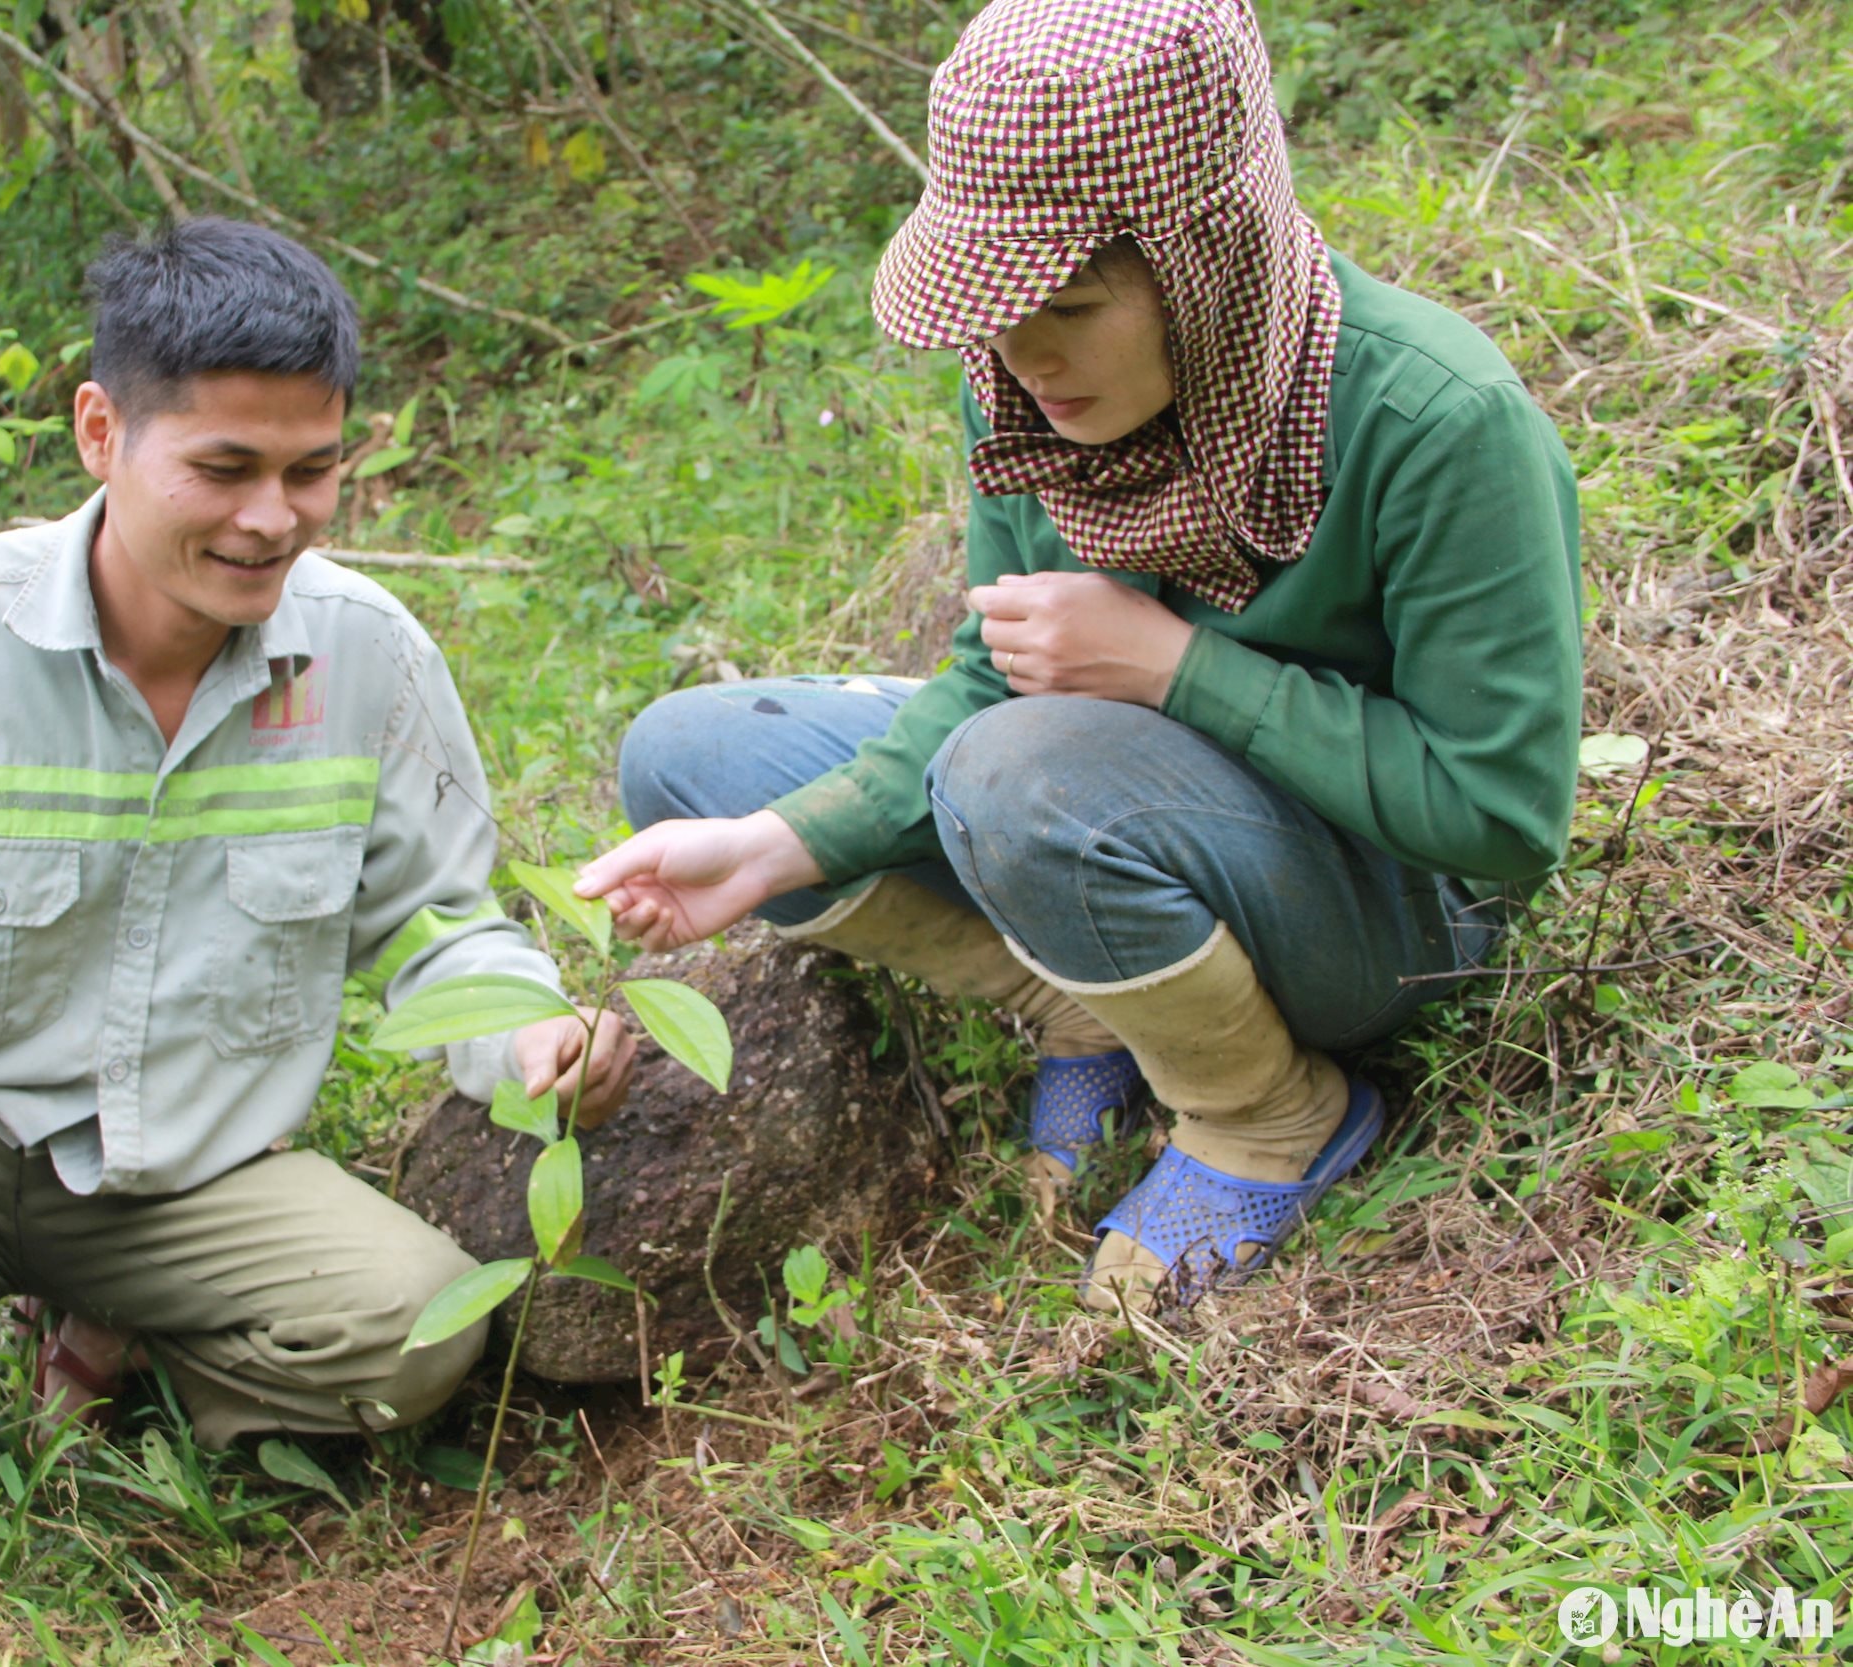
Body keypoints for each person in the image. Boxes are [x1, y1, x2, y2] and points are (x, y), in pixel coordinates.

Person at [577, 0, 1580, 1314]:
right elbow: (995, 673)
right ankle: (1091, 999)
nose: (1026, 354)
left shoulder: (1436, 421)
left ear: (1202, 263)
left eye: (1071, 304)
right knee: (696, 761)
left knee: (1020, 774)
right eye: (994, 310)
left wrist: (1176, 667)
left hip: (1375, 907)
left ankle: (1268, 1109)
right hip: (1112, 795)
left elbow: (1501, 819)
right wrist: (776, 845)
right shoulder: (1025, 381)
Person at [0, 218, 636, 1488]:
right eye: (225, 466)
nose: (273, 518)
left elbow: (431, 922)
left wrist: (529, 1036)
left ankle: (132, 1339)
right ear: (101, 431)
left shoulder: (368, 654)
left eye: (311, 470)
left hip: (188, 1166)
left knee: (414, 1334)